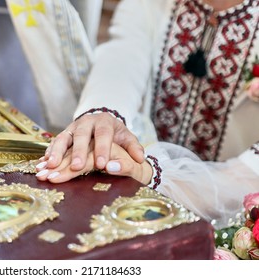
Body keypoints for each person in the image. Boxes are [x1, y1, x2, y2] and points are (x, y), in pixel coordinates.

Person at [34, 0, 259, 229]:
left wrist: (148, 174)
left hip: (232, 231)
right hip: (133, 208)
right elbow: (121, 58)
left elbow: (248, 178)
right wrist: (101, 118)